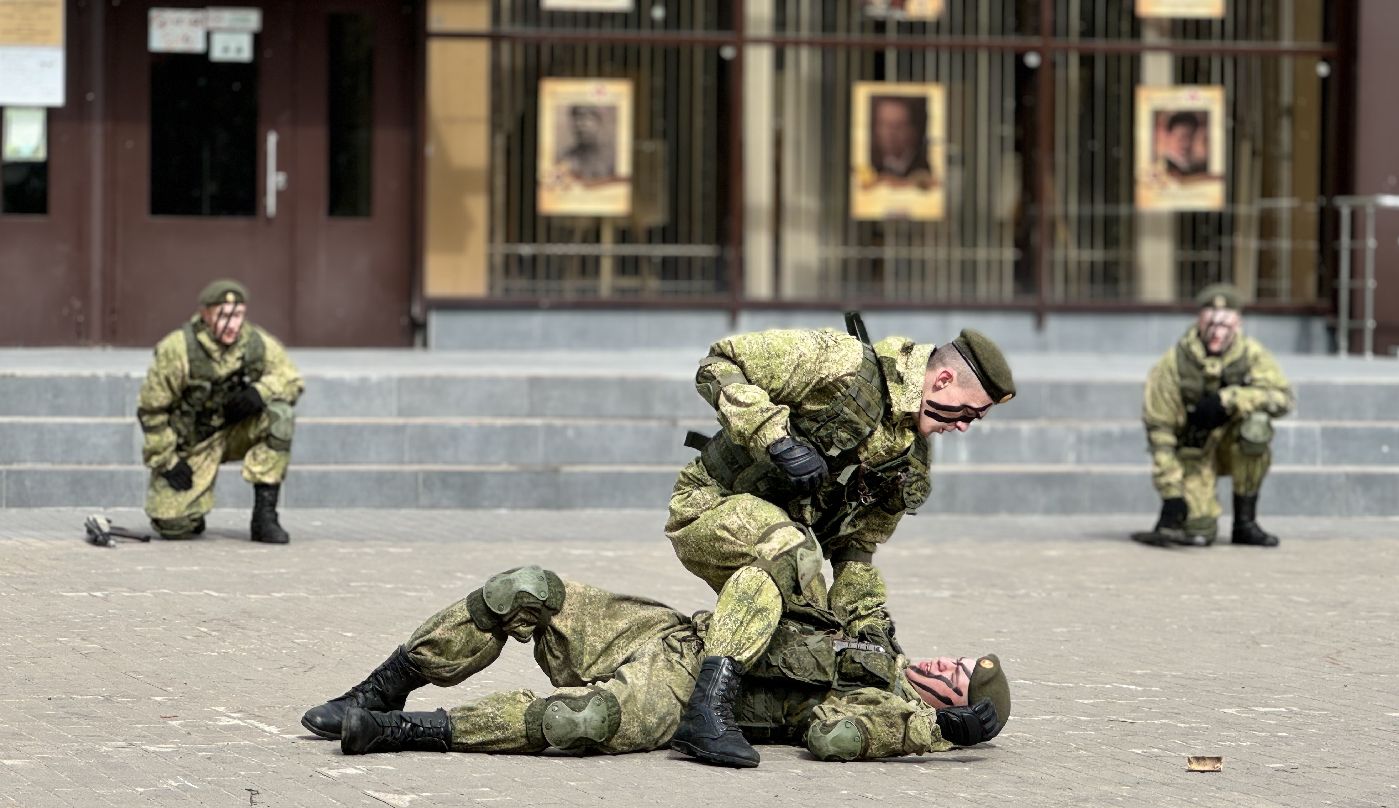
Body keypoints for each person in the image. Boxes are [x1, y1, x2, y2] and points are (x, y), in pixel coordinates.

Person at [665, 314, 1015, 768]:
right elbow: (719, 363)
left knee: (817, 632)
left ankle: (716, 693)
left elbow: (855, 552)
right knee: (792, 552)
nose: (965, 426)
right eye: (968, 412)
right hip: (708, 505)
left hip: (784, 541)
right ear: (943, 378)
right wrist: (773, 437)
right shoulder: (843, 365)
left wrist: (871, 635)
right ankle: (706, 713)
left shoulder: (909, 460)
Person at [299, 566, 1012, 765]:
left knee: (585, 720)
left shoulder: (881, 707)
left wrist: (935, 734)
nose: (947, 665)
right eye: (957, 657)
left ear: (945, 701)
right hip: (664, 630)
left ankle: (396, 729)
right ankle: (378, 685)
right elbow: (853, 558)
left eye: (959, 680)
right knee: (525, 589)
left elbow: (832, 738)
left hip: (671, 692)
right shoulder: (872, 632)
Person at [136, 279, 304, 543]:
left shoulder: (254, 342)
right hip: (193, 443)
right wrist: (166, 460)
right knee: (172, 526)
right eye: (223, 315)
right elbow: (151, 410)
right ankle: (192, 511)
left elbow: (291, 378)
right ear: (205, 314)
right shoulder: (178, 348)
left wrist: (261, 392)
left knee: (280, 416)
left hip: (236, 431)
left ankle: (264, 517)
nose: (233, 324)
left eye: (238, 315)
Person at [1133, 284, 1294, 549]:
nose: (1217, 333)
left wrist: (1230, 399)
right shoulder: (1174, 363)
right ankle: (1194, 514)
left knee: (1257, 427)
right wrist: (1171, 494)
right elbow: (1159, 431)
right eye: (1211, 325)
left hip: (1235, 444)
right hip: (1194, 452)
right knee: (1199, 534)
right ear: (1199, 321)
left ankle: (1245, 523)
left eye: (1225, 327)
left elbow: (1282, 399)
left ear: (1238, 324)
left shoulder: (1251, 355)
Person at [870, 95, 930, 180]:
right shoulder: (869, 163)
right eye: (884, 125)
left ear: (913, 131)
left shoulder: (924, 166)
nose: (891, 133)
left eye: (898, 126)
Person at [557, 104, 616, 182]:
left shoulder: (612, 157)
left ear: (598, 122)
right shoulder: (566, 158)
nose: (580, 125)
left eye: (586, 119)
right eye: (576, 120)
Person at [1157, 111, 1205, 179]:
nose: (1186, 143)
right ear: (1168, 136)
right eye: (1181, 137)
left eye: (1190, 137)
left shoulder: (1197, 168)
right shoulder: (1161, 168)